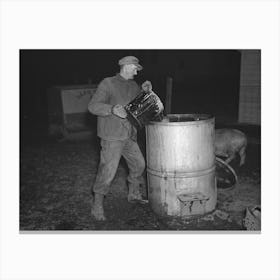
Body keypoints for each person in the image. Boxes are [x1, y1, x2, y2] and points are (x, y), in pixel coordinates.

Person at [88, 55, 153, 221]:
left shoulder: (133, 85)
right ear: (126, 66)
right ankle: (97, 205)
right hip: (111, 136)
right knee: (108, 171)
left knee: (139, 164)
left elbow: (139, 105)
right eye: (134, 69)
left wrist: (146, 91)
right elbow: (93, 106)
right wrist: (111, 109)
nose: (136, 73)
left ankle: (133, 193)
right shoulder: (108, 83)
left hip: (129, 135)